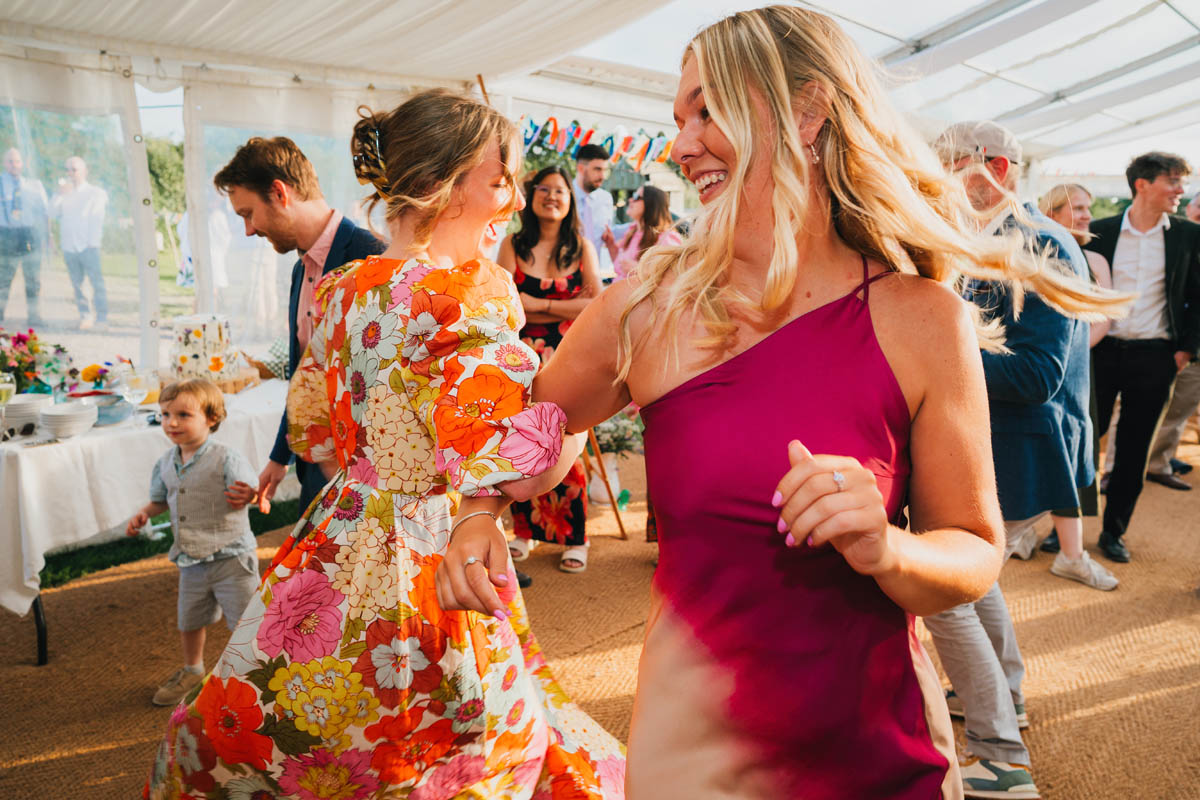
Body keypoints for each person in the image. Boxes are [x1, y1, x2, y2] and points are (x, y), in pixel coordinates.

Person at [439, 7, 1121, 798]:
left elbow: (972, 547)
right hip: (694, 752)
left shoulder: (920, 316)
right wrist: (478, 509)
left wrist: (887, 551)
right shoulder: (648, 307)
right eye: (677, 117)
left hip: (880, 751)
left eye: (708, 109)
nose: (682, 142)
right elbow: (541, 425)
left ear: (807, 113)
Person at [145, 89, 625, 799]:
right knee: (453, 738)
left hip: (339, 536)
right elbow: (517, 468)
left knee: (304, 720)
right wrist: (591, 398)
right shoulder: (470, 291)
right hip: (439, 542)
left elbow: (314, 430)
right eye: (502, 180)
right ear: (442, 186)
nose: (515, 200)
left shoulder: (340, 290)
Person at [213, 136, 384, 516]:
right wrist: (280, 456)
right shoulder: (298, 271)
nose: (248, 229)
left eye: (247, 213)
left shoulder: (372, 256)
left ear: (279, 193)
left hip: (367, 472)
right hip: (316, 464)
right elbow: (304, 377)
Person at [1083, 152, 1200, 562]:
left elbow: (1197, 297)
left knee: (1134, 450)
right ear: (1142, 184)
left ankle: (1114, 532)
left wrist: (1185, 350)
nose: (1181, 190)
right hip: (1100, 353)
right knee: (1083, 442)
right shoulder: (1098, 232)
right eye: (1173, 181)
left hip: (1156, 357)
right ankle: (1065, 528)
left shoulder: (1188, 235)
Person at [125, 379, 261, 706]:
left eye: (183, 415)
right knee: (189, 619)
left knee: (246, 620)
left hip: (232, 558)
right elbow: (161, 499)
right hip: (191, 560)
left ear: (211, 418)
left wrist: (253, 495)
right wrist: (145, 513)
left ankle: (253, 675)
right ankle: (193, 669)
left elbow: (252, 490)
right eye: (165, 415)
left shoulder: (226, 458)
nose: (172, 423)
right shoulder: (165, 463)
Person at [497, 165, 602, 572]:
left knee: (566, 440)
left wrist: (537, 303)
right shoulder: (511, 244)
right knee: (523, 441)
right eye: (544, 189)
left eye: (560, 190)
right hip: (521, 357)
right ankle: (524, 532)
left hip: (570, 355)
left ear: (570, 199)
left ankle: (576, 538)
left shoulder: (580, 247)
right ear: (531, 195)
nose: (552, 196)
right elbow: (504, 302)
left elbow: (597, 302)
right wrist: (564, 304)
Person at [50, 156, 107, 330]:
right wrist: (59, 194)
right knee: (78, 284)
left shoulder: (95, 193)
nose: (70, 173)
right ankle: (85, 316)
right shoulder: (63, 193)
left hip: (89, 246)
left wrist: (92, 243)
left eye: (74, 169)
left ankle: (102, 318)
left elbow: (97, 220)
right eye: (67, 169)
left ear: (84, 171)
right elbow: (51, 213)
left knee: (97, 282)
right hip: (69, 246)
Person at [0, 147, 48, 328]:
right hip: (5, 234)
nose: (14, 165)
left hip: (29, 234)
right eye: (10, 161)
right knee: (3, 278)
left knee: (33, 278)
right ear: (5, 163)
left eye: (17, 161)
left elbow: (44, 213)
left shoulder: (34, 185)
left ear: (23, 163)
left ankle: (34, 316)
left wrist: (46, 236)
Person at [602, 183, 682, 280]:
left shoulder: (667, 238)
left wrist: (639, 270)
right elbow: (621, 267)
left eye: (636, 197)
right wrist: (610, 244)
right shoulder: (632, 232)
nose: (630, 200)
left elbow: (674, 278)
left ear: (651, 204)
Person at [573, 143, 615, 274]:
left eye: (604, 170)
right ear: (580, 168)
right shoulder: (564, 195)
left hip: (596, 272)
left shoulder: (606, 199)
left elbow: (608, 233)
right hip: (564, 273)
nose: (602, 176)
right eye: (597, 169)